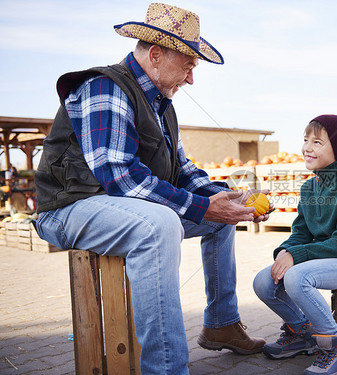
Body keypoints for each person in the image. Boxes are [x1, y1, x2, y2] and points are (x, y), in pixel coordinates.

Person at [34, 3, 270, 374]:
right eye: (188, 66)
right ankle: (167, 369)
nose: (191, 78)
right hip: (68, 209)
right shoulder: (105, 87)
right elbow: (118, 174)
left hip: (117, 206)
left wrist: (223, 197)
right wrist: (201, 206)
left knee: (220, 217)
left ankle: (221, 323)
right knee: (158, 225)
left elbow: (183, 171)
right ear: (156, 55)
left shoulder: (162, 105)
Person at [253, 115, 337, 375]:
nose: (307, 147)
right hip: (321, 257)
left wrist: (297, 257)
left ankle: (336, 347)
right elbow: (300, 233)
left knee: (297, 278)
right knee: (263, 282)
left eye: (318, 142)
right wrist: (286, 252)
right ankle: (303, 332)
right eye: (306, 139)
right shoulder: (310, 187)